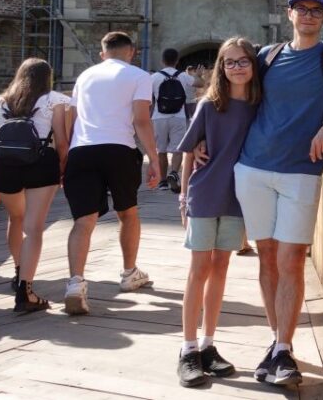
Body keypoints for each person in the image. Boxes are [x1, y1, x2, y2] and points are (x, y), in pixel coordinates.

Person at [201, 0, 323, 386]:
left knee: (292, 259)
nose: (309, 15)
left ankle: (282, 348)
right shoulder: (267, 56)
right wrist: (205, 137)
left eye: (317, 10)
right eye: (302, 8)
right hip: (253, 167)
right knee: (267, 256)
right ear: (289, 13)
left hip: (301, 170)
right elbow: (231, 94)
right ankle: (279, 346)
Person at [173, 37, 261, 387]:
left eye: (243, 61)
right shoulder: (210, 105)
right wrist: (183, 197)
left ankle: (209, 344)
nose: (236, 67)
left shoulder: (259, 106)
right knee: (199, 269)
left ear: (253, 65)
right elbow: (189, 154)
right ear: (221, 69)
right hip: (207, 193)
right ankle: (188, 348)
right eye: (229, 62)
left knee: (221, 268)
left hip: (238, 197)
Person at [62, 31, 161, 315]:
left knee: (83, 221)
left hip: (82, 150)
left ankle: (75, 283)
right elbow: (141, 120)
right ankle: (130, 273)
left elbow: (74, 116)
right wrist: (154, 159)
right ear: (131, 52)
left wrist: (68, 153)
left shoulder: (85, 77)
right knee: (127, 213)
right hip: (119, 149)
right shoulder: (139, 76)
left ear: (102, 53)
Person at [0, 58, 70, 313]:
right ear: (48, 77)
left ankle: (17, 271)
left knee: (16, 218)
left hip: (5, 166)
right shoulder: (55, 100)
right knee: (34, 229)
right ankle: (26, 290)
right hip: (41, 162)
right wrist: (64, 170)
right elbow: (62, 141)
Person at [151, 48, 203, 191]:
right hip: (178, 116)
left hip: (159, 117)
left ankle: (162, 182)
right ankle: (174, 173)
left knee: (160, 150)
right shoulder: (183, 76)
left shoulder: (154, 77)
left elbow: (148, 98)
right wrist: (199, 75)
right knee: (177, 149)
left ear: (162, 61)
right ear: (177, 61)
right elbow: (200, 83)